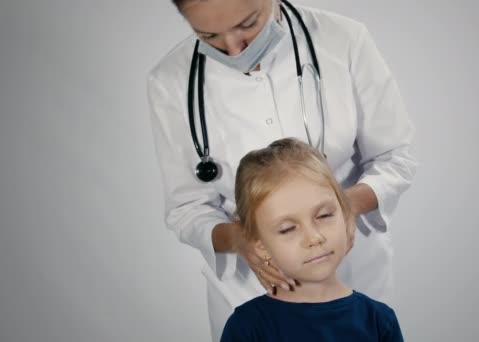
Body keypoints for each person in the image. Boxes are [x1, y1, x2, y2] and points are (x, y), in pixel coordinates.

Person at [147, 0, 416, 340]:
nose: (232, 49)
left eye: (247, 24)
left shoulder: (343, 39)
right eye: (208, 35)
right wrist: (246, 240)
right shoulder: (170, 81)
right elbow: (187, 209)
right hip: (249, 288)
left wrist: (344, 207)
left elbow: (395, 158)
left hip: (353, 271)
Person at [219, 137, 404, 341]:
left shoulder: (379, 321)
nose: (314, 237)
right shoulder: (247, 328)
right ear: (260, 245)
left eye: (324, 215)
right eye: (288, 229)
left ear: (345, 214)